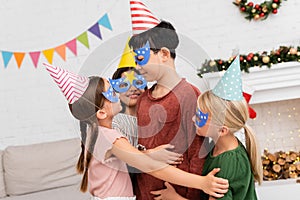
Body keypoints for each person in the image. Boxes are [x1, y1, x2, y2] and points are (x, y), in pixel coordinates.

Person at [43, 63, 229, 200]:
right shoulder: (110, 136)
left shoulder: (95, 133)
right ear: (101, 112)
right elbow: (151, 167)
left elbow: (124, 158)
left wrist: (148, 153)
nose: (117, 94)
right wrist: (202, 182)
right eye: (111, 93)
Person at [152, 56, 263, 200]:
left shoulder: (227, 162)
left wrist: (174, 198)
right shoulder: (218, 145)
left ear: (222, 130)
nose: (193, 119)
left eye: (200, 117)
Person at [128, 20, 206, 199]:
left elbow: (198, 153)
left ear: (163, 53)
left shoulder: (189, 95)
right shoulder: (142, 99)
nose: (137, 66)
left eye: (140, 59)